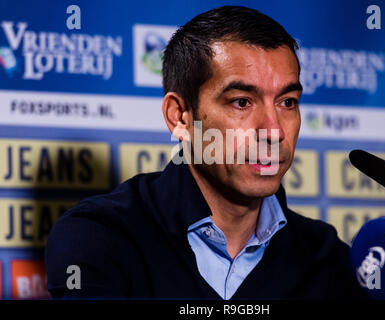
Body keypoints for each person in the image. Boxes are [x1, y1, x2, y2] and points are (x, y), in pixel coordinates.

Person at [45, 5, 368, 300]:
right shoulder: (99, 236)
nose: (274, 131)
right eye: (242, 102)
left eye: (287, 103)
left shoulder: (325, 257)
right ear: (180, 116)